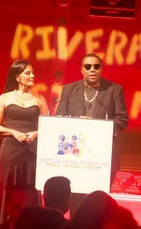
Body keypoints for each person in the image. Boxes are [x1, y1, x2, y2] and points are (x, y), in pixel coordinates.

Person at [0, 60, 48, 227]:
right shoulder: (5, 98)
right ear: (17, 77)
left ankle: (32, 227)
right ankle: (3, 226)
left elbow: (48, 126)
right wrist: (13, 132)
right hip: (11, 149)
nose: (32, 76)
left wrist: (36, 133)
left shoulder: (40, 99)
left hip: (32, 149)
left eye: (33, 72)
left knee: (31, 186)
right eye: (28, 73)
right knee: (8, 185)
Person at [55, 53, 128, 182]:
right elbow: (60, 117)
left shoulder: (114, 90)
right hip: (73, 155)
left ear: (101, 69)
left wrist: (97, 127)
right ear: (82, 70)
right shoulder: (70, 89)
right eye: (88, 66)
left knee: (99, 193)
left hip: (102, 153)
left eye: (96, 66)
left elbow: (122, 119)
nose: (92, 70)